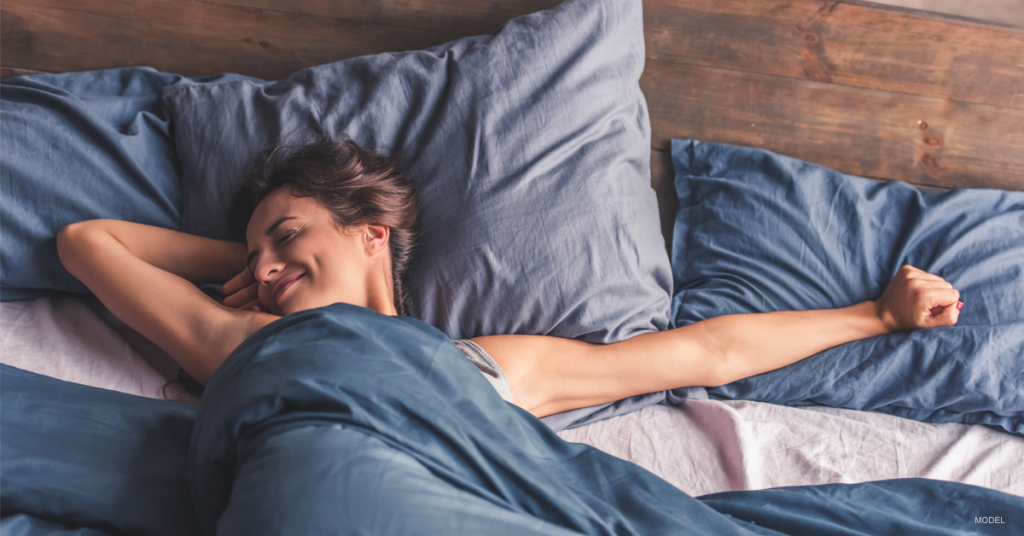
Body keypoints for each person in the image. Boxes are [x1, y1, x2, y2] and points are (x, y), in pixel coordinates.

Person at [57, 137, 964, 418]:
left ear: (372, 235)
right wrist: (259, 268)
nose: (262, 261)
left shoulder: (488, 364)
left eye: (288, 232)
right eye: (252, 250)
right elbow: (86, 242)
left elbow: (706, 353)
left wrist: (875, 319)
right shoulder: (241, 342)